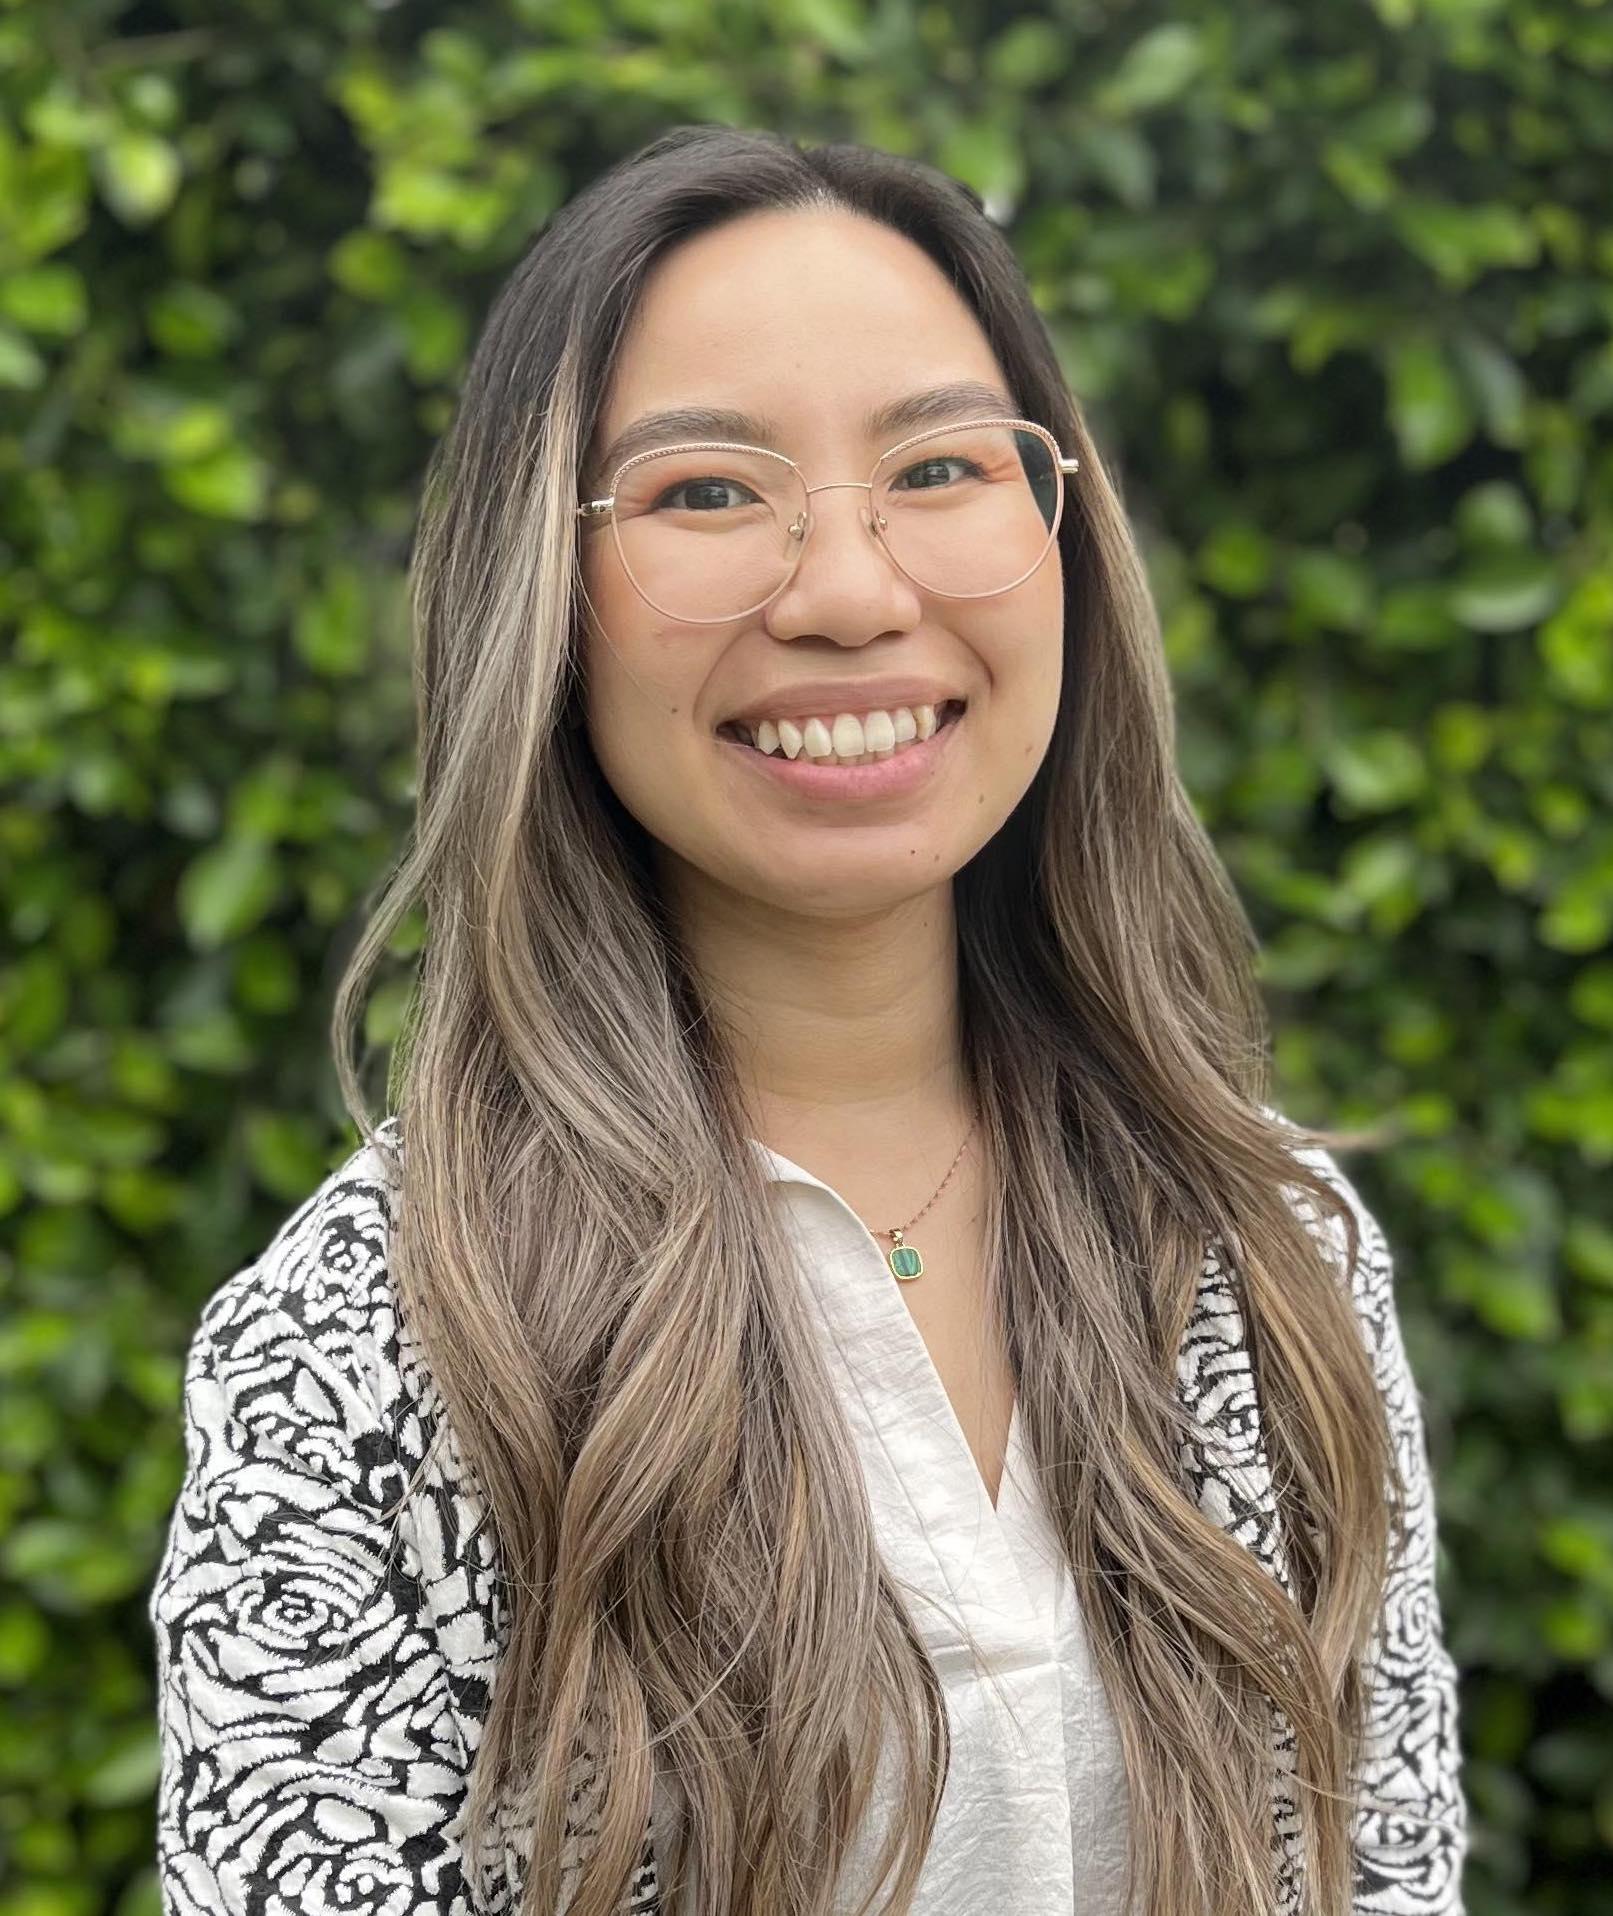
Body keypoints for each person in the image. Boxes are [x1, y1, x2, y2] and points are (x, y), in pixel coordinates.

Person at [147, 124, 1468, 1916]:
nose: (850, 593)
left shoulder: (1271, 1254)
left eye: (939, 467)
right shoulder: (363, 1354)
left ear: (1062, 535)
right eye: (704, 492)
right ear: (542, 596)